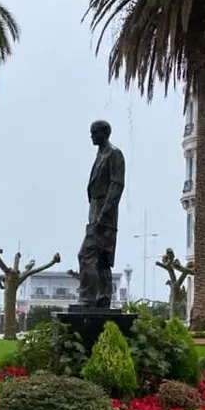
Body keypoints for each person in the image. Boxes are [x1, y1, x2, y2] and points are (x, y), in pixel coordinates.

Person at [78, 120, 125, 308]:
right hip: (95, 212)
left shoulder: (114, 154)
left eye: (94, 132)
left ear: (104, 133)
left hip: (104, 215)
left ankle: (87, 298)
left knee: (86, 255)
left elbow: (116, 186)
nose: (91, 136)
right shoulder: (101, 154)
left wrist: (103, 214)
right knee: (102, 259)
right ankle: (103, 298)